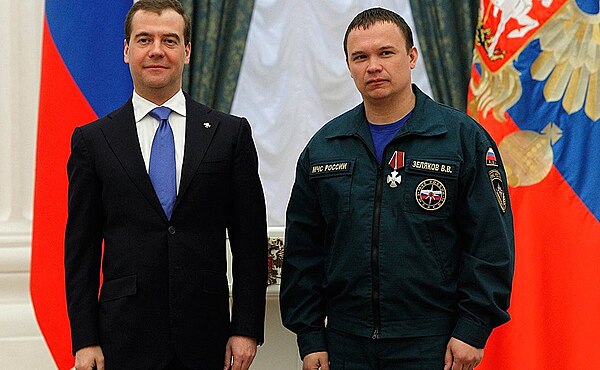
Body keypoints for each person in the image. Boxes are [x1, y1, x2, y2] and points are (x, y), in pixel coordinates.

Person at [280, 7, 514, 370]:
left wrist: (474, 326)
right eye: (360, 57)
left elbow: (490, 242)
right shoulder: (325, 146)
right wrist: (309, 335)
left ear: (412, 56)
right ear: (349, 65)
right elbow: (304, 250)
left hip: (433, 342)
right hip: (345, 343)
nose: (373, 66)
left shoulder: (461, 139)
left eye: (385, 53)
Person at [64, 1, 267, 369]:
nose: (157, 50)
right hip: (122, 339)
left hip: (209, 339)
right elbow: (81, 249)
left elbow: (250, 240)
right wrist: (84, 339)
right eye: (144, 39)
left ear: (187, 52)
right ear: (127, 51)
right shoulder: (93, 141)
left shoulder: (229, 134)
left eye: (170, 40)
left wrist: (247, 328)